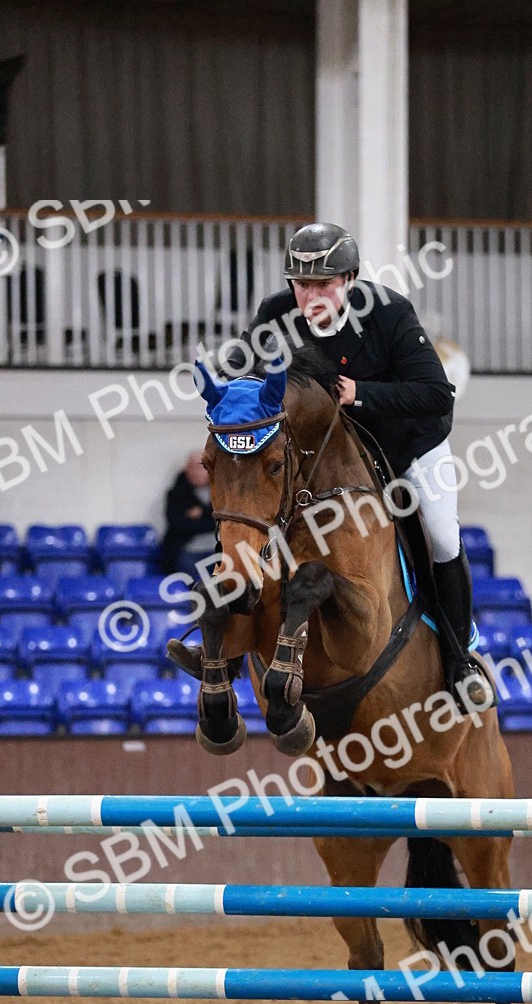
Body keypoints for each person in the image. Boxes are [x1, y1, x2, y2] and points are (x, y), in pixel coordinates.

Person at [213, 222, 493, 708]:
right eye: (303, 285)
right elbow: (241, 380)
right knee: (254, 517)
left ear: (350, 280)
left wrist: (358, 393)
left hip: (405, 442)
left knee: (443, 533)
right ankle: (227, 652)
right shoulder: (274, 317)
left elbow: (435, 393)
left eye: (324, 283)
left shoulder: (389, 312)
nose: (312, 295)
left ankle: (458, 655)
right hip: (322, 457)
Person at [160, 450, 217, 575]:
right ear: (186, 469)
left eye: (201, 467)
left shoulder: (223, 493)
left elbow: (229, 521)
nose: (196, 472)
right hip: (187, 551)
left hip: (218, 551)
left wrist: (202, 512)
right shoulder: (175, 494)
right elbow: (178, 525)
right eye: (192, 467)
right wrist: (212, 520)